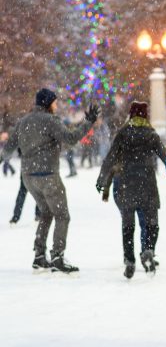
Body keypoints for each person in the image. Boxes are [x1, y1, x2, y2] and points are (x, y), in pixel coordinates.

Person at [0, 88, 99, 273]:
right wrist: (88, 122)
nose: (56, 105)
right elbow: (70, 138)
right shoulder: (50, 121)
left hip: (29, 178)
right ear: (47, 103)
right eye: (54, 102)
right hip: (48, 176)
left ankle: (39, 255)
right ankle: (57, 257)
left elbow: (8, 149)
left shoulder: (23, 122)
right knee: (62, 215)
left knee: (46, 212)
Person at [96, 101, 166, 279]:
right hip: (148, 185)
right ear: (145, 115)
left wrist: (102, 179)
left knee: (128, 226)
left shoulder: (123, 133)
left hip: (127, 185)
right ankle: (148, 250)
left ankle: (129, 260)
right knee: (152, 224)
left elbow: (110, 158)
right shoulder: (151, 134)